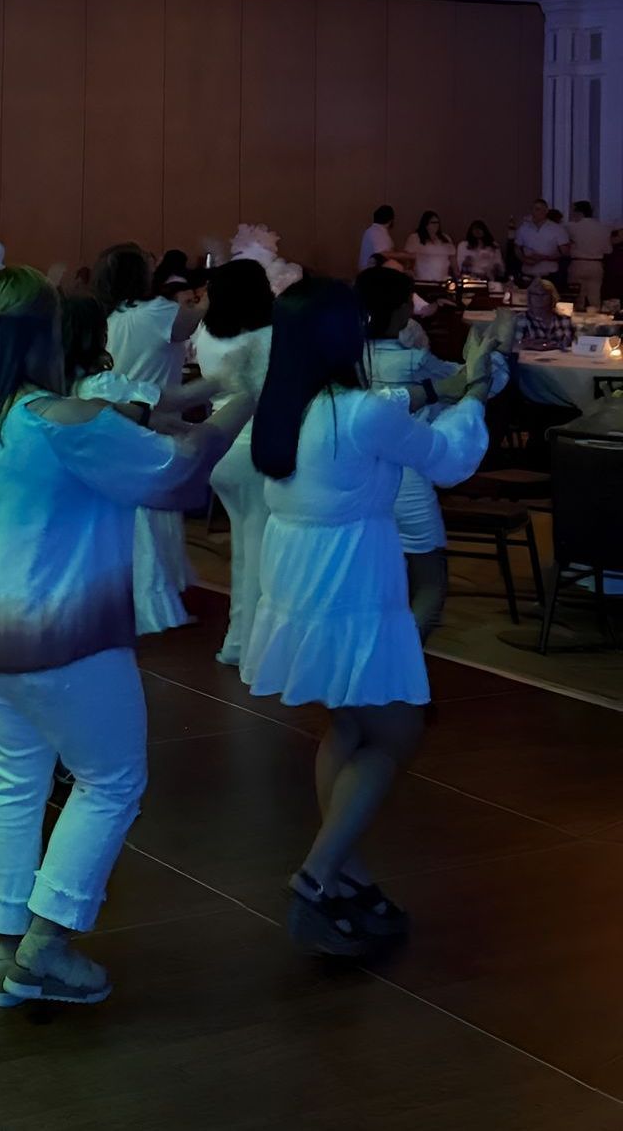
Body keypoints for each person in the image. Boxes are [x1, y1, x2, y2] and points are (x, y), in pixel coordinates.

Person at [0, 267, 250, 1007]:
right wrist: (243, 401)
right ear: (51, 334)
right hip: (57, 632)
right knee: (111, 781)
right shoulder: (64, 421)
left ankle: (11, 944)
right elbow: (176, 472)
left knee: (14, 779)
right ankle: (46, 946)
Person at [241, 277, 491, 957]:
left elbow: (390, 407)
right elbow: (450, 459)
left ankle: (346, 871)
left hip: (299, 580)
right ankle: (317, 874)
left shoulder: (284, 404)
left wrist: (441, 389)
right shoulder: (357, 411)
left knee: (350, 725)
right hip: (350, 581)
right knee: (398, 731)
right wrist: (475, 390)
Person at [94, 244, 205, 634]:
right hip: (155, 423)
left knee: (136, 519)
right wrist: (210, 290)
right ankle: (152, 601)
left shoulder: (108, 317)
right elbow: (193, 320)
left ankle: (131, 593)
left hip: (118, 424)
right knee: (153, 518)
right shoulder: (157, 312)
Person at [357, 268, 465, 639]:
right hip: (407, 481)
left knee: (374, 578)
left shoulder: (347, 360)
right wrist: (493, 355)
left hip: (358, 478)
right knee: (430, 581)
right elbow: (468, 382)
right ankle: (402, 659)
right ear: (402, 309)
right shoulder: (413, 361)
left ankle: (374, 653)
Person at [192, 259, 275, 667]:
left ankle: (238, 642)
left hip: (218, 445)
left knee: (244, 550)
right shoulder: (269, 335)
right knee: (258, 554)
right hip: (255, 446)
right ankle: (252, 649)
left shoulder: (205, 332)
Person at [566, 200, 619, 309]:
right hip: (596, 264)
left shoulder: (571, 227)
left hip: (578, 263)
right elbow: (608, 250)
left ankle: (577, 317)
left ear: (579, 213)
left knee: (577, 298)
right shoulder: (603, 228)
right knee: (595, 298)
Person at [514, 198, 569, 283]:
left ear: (546, 211)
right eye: (532, 209)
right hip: (528, 274)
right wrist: (523, 259)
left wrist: (544, 257)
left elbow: (564, 252)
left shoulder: (557, 229)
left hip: (549, 274)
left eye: (537, 209)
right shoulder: (524, 228)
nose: (533, 212)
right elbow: (517, 248)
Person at [514, 276, 576, 350]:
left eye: (544, 294)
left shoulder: (564, 320)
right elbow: (515, 345)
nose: (539, 298)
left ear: (552, 296)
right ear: (529, 297)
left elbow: (572, 345)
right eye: (535, 294)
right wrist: (528, 345)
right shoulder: (521, 319)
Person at [407, 212, 455, 283]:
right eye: (433, 223)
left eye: (437, 222)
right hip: (422, 279)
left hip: (442, 280)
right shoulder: (415, 238)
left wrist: (456, 273)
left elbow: (452, 258)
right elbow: (409, 257)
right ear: (426, 224)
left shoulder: (445, 238)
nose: (436, 225)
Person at [358, 206, 396, 272]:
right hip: (372, 275)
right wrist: (406, 256)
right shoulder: (379, 234)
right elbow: (383, 255)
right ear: (391, 220)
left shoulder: (371, 231)